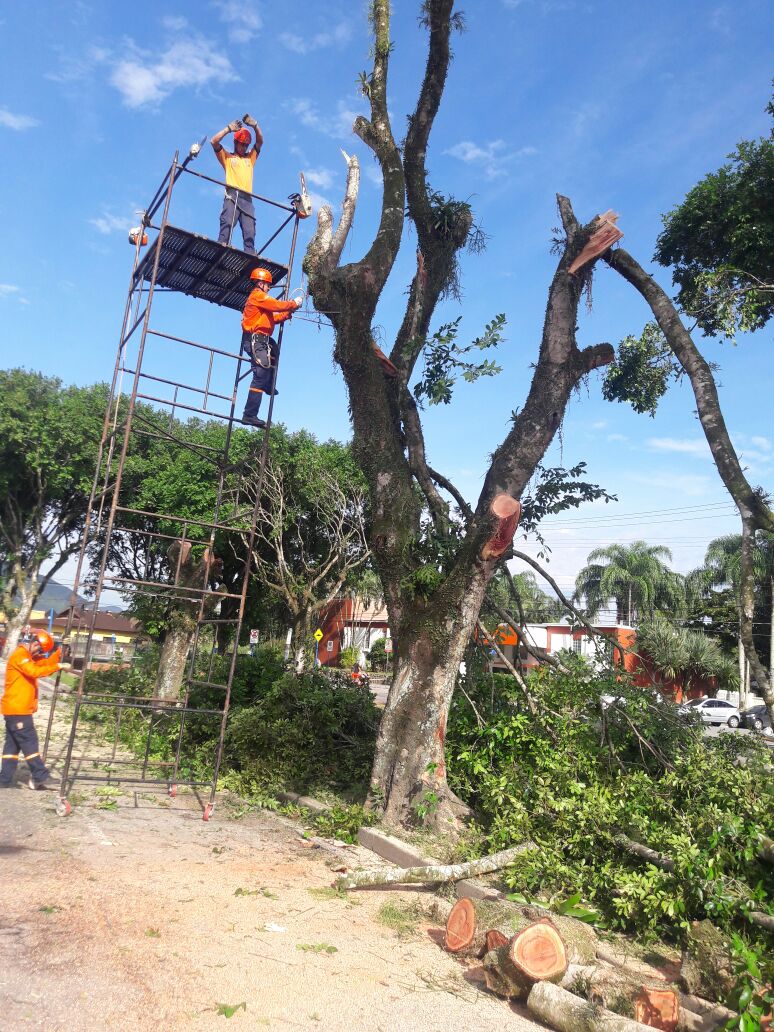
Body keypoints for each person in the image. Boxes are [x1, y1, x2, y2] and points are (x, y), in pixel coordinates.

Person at [1, 630, 71, 790]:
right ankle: (41, 775)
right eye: (40, 650)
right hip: (18, 710)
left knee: (12, 747)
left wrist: (61, 650)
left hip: (16, 709)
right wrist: (59, 665)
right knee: (29, 742)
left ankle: (4, 780)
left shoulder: (30, 657)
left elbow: (44, 664)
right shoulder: (21, 656)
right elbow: (35, 671)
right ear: (34, 643)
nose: (40, 654)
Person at [240, 267, 302, 428]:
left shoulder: (261, 301)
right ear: (260, 283)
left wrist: (289, 311)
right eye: (268, 285)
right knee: (260, 374)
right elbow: (276, 305)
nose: (268, 288)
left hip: (264, 339)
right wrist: (292, 303)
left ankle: (268, 384)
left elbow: (274, 317)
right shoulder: (258, 296)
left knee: (274, 351)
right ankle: (249, 414)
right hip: (255, 339)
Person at [210, 114, 263, 253]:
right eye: (241, 144)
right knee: (227, 224)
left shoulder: (250, 159)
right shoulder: (227, 158)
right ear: (236, 143)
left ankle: (250, 256)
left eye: (246, 145)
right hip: (232, 196)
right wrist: (228, 129)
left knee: (250, 231)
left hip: (247, 199)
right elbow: (214, 141)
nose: (244, 147)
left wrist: (255, 126)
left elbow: (260, 142)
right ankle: (220, 251)